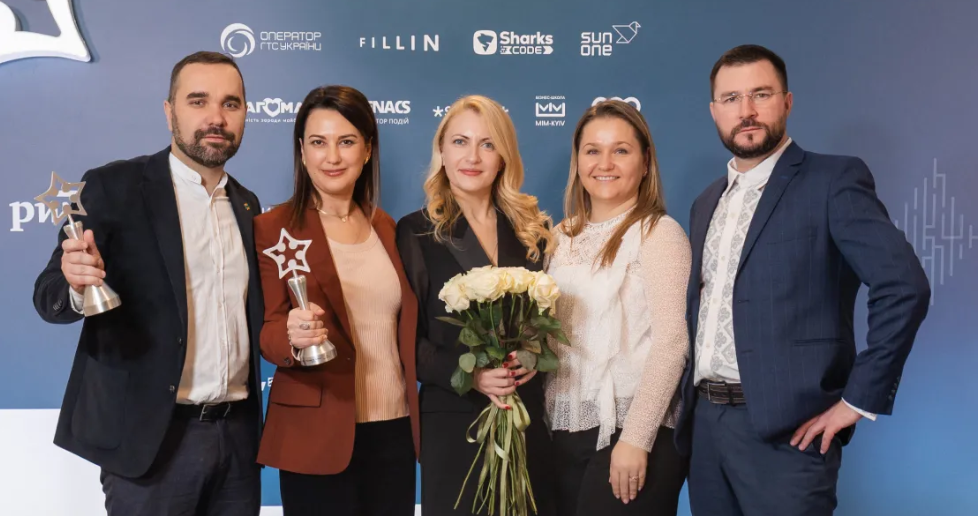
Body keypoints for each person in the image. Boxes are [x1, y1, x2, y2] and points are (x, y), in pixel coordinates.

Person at [675, 44, 932, 516]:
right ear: (714, 111)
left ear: (787, 102)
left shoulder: (832, 181)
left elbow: (904, 287)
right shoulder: (705, 202)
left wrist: (858, 400)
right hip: (706, 429)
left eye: (761, 94)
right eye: (731, 98)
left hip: (789, 435)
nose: (746, 111)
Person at [32, 50, 264, 515]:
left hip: (238, 441)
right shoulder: (112, 186)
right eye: (198, 101)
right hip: (151, 443)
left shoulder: (247, 205)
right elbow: (49, 293)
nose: (216, 118)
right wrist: (75, 286)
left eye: (231, 104)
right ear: (169, 111)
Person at [253, 85, 420, 516]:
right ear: (302, 151)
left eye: (346, 142)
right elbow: (267, 331)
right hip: (315, 434)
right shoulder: (273, 227)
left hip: (393, 429)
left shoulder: (389, 228)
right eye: (318, 142)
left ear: (367, 150)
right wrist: (291, 337)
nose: (332, 157)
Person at [396, 94, 557, 516]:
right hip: (455, 422)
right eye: (460, 142)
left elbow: (548, 324)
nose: (472, 157)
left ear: (503, 157)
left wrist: (533, 355)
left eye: (487, 144)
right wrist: (473, 375)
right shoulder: (415, 232)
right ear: (442, 151)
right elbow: (407, 342)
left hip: (525, 416)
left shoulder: (532, 230)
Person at [545, 100, 690, 516]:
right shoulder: (560, 237)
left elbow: (672, 343)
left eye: (621, 150)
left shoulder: (659, 233)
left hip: (631, 434)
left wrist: (636, 439)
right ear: (578, 161)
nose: (604, 163)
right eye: (592, 150)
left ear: (645, 163)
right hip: (562, 433)